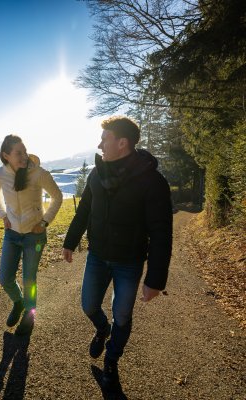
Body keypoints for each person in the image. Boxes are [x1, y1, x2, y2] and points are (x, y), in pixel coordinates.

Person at [63, 116, 173, 395]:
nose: (100, 145)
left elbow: (161, 231)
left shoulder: (152, 181)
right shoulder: (96, 174)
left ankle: (111, 361)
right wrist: (70, 241)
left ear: (122, 143)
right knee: (89, 305)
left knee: (122, 316)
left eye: (105, 139)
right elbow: (84, 210)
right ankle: (102, 329)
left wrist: (155, 279)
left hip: (129, 262)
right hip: (98, 256)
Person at [0, 134, 63, 335]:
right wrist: (3, 215)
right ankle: (19, 302)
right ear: (6, 156)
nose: (24, 156)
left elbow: (57, 197)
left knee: (29, 279)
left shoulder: (38, 173)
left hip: (34, 236)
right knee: (5, 278)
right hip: (12, 234)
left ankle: (30, 315)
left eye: (24, 151)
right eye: (18, 153)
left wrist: (44, 222)